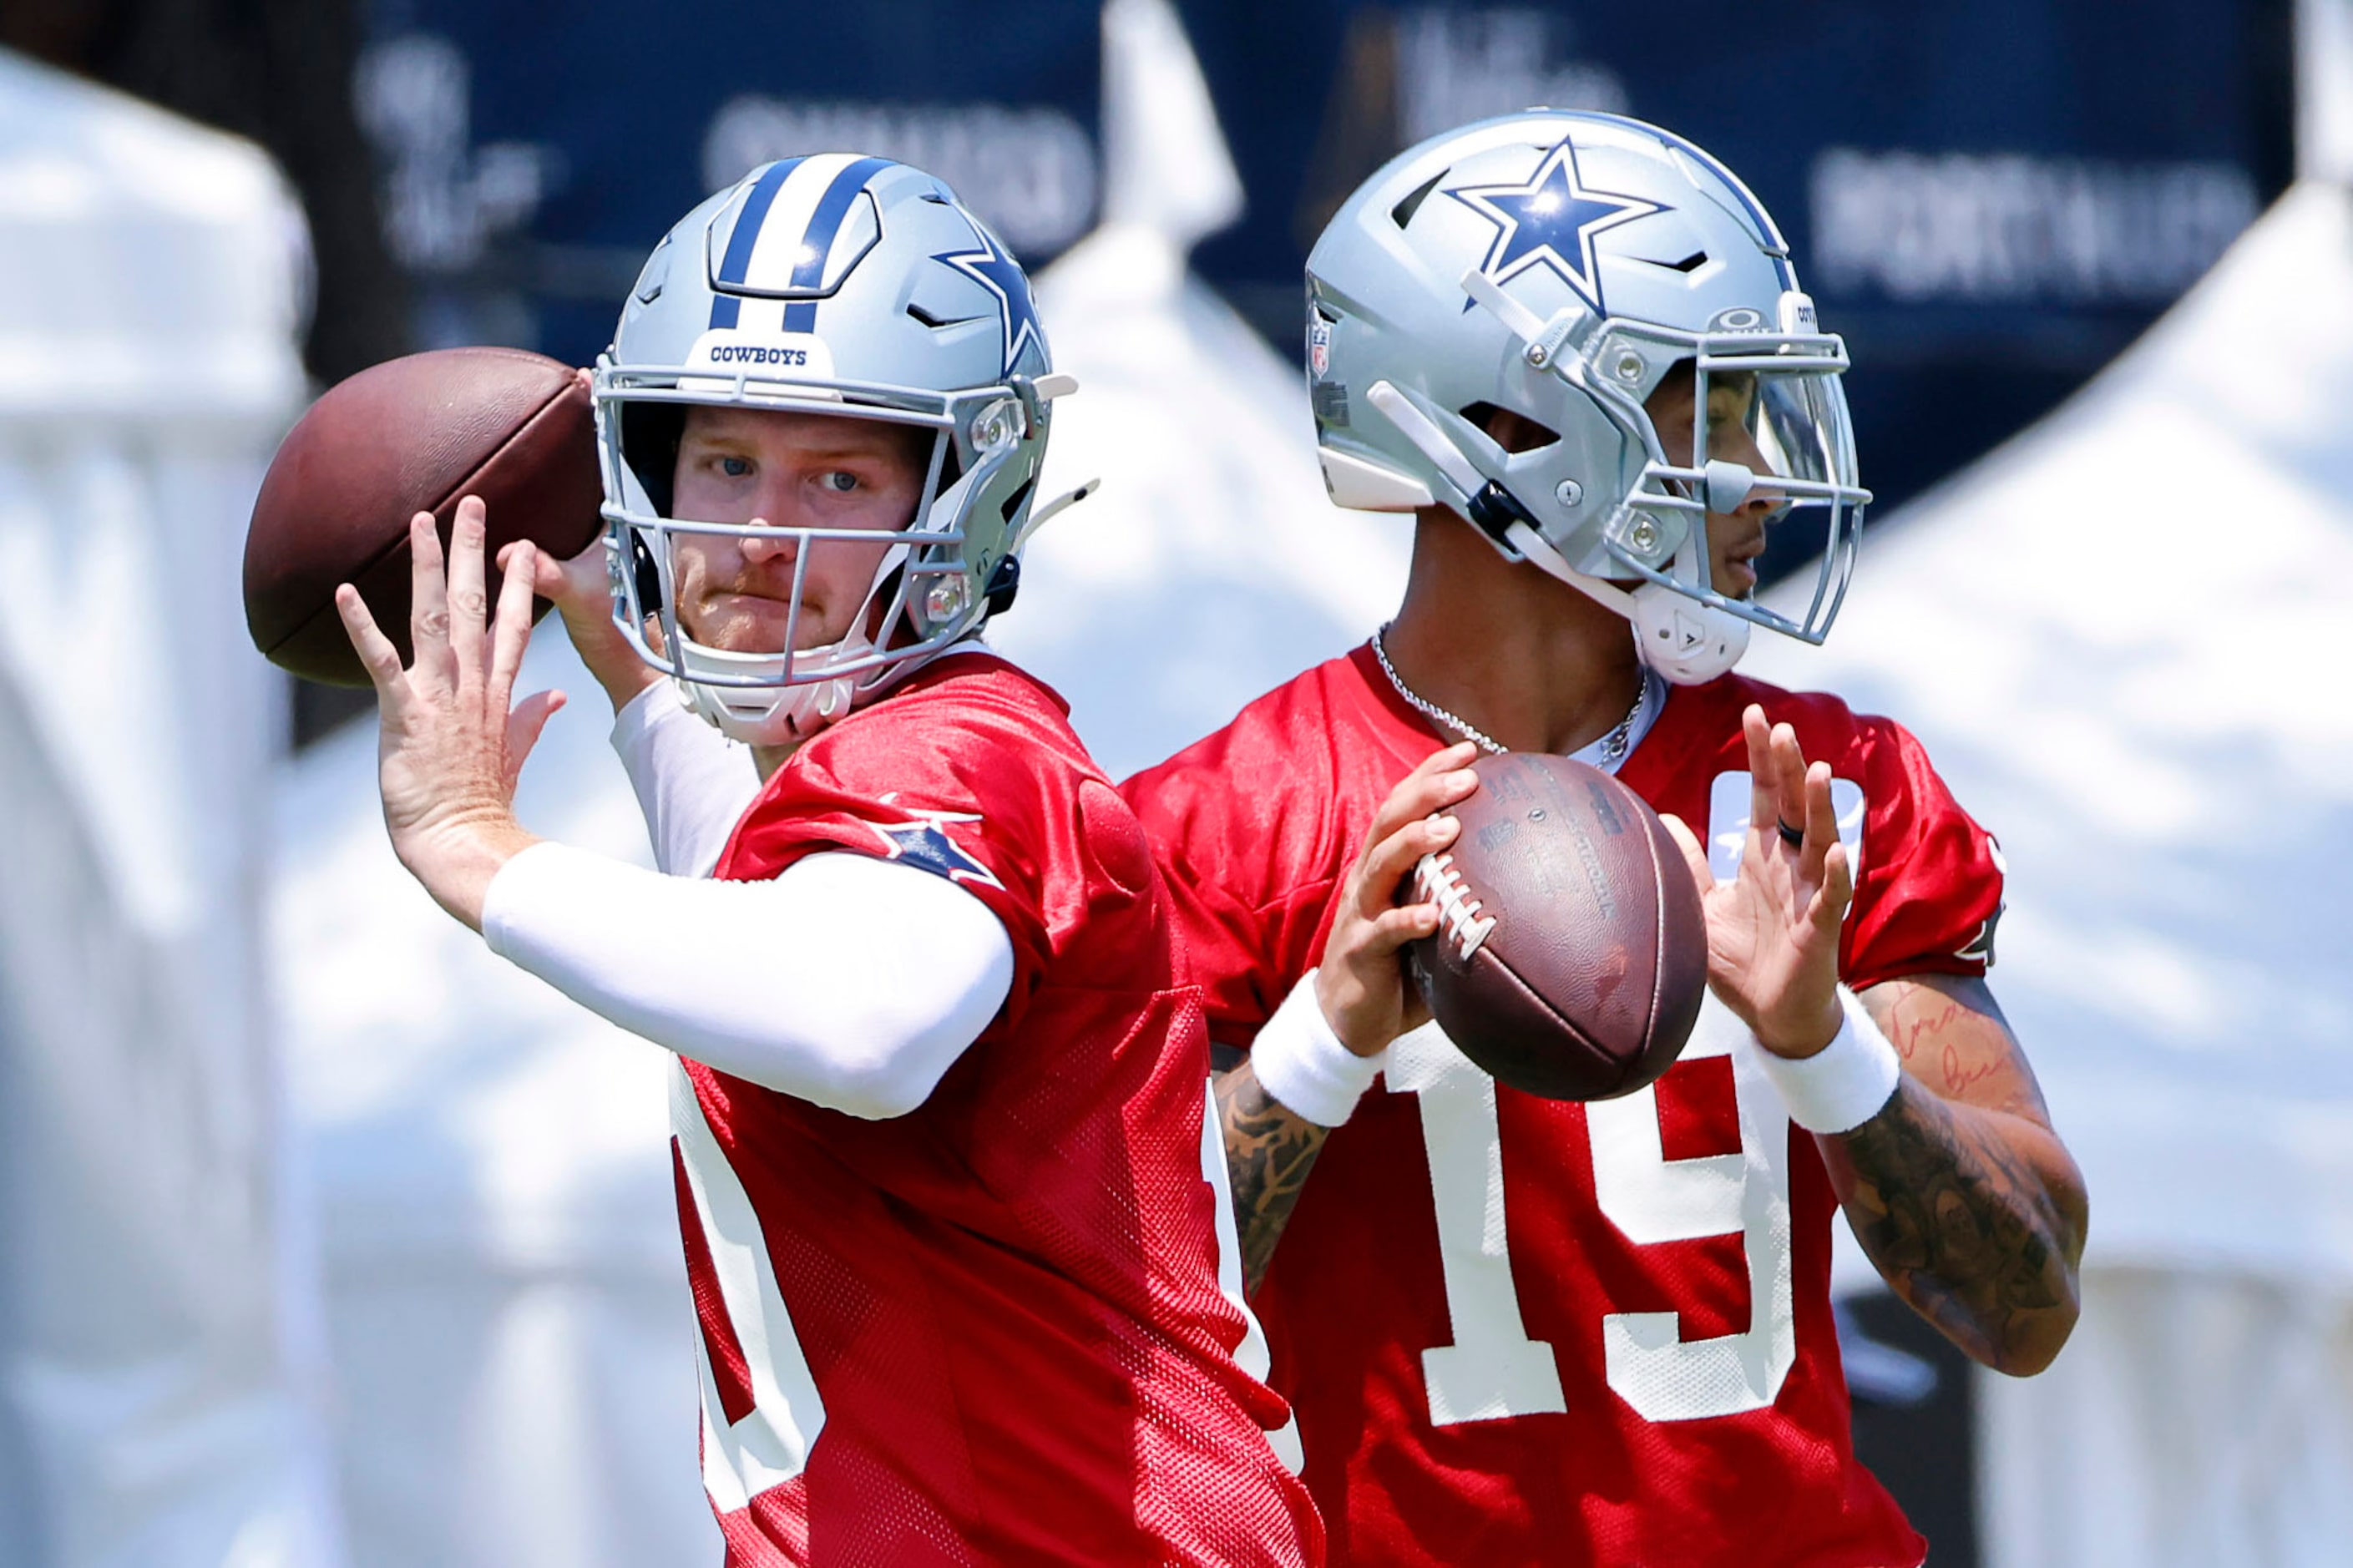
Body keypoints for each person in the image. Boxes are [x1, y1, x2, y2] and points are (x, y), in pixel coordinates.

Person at [1116, 112, 2089, 1565]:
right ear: (1504, 431)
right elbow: (1110, 1332)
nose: (1759, 480)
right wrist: (1321, 1042)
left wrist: (1827, 1046)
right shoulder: (1224, 824)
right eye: (1704, 412)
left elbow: (2025, 1307)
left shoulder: (1818, 787)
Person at [336, 154, 1318, 1567]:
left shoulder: (949, 754)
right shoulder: (847, 789)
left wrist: (480, 850)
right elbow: (760, 928)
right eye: (725, 461)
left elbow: (862, 1024)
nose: (756, 536)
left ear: (966, 499)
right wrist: (640, 685)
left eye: (838, 475)